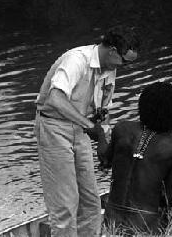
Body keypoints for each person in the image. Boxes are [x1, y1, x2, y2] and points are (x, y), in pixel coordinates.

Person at [34, 26, 139, 237]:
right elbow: (55, 99)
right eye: (125, 62)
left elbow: (103, 110)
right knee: (65, 205)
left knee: (91, 201)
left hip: (79, 128)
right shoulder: (77, 60)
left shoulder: (110, 69)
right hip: (54, 127)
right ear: (112, 51)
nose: (126, 67)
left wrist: (105, 139)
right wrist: (93, 129)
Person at [95, 82, 172, 235]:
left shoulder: (122, 129)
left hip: (112, 221)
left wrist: (99, 133)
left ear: (142, 107)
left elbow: (105, 159)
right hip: (145, 226)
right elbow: (167, 196)